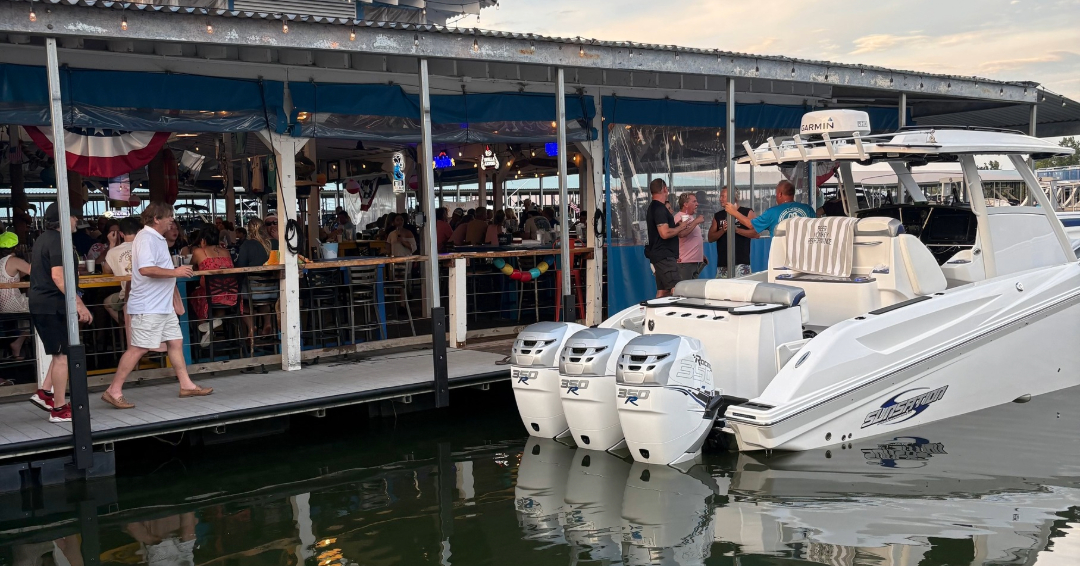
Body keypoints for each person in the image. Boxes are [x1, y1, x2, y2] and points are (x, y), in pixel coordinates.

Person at [101, 202, 211, 410]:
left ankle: (186, 385)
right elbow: (145, 269)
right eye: (168, 216)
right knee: (138, 348)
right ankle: (113, 390)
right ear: (156, 219)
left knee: (176, 341)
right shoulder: (146, 239)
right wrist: (175, 272)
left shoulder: (156, 239)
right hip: (149, 304)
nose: (172, 220)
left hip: (162, 304)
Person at [28, 203, 93, 423]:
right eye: (74, 217)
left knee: (60, 350)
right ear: (65, 219)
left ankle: (45, 392)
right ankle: (59, 408)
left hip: (44, 302)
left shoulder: (43, 238)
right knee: (62, 356)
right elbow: (58, 276)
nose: (77, 221)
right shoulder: (57, 241)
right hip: (51, 304)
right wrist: (78, 303)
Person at [645, 179, 702, 298]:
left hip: (661, 256)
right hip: (665, 256)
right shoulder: (659, 208)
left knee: (663, 292)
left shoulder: (654, 207)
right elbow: (664, 233)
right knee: (677, 289)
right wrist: (680, 227)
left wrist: (678, 226)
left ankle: (654, 314)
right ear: (664, 189)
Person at [189, 225, 240, 347]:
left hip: (210, 296)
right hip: (231, 295)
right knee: (218, 298)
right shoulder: (226, 251)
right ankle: (213, 324)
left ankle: (204, 329)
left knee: (192, 296)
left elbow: (192, 267)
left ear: (203, 239)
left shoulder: (199, 252)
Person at [723, 180, 816, 239]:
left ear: (779, 194)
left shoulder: (772, 212)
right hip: (805, 259)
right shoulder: (808, 209)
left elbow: (751, 225)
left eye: (776, 194)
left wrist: (734, 212)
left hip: (781, 259)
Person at [709, 187, 756, 278]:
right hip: (723, 263)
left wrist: (736, 230)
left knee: (741, 290)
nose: (720, 199)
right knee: (722, 291)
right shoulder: (718, 215)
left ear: (732, 197)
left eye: (723, 196)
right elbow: (710, 238)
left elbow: (756, 233)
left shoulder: (747, 212)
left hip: (741, 262)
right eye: (720, 196)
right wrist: (723, 230)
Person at [102, 217, 142, 324]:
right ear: (139, 231)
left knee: (106, 303)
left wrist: (112, 245)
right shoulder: (146, 246)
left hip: (128, 296)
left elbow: (106, 271)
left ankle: (126, 324)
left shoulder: (113, 252)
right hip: (148, 294)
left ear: (121, 234)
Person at [0, 232, 31, 360]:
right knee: (43, 308)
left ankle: (18, 343)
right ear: (16, 247)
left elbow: (15, 275)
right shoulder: (14, 260)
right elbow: (34, 272)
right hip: (12, 303)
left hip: (2, 304)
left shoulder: (2, 262)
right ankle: (19, 341)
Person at [675, 193, 706, 281]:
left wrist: (700, 255)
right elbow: (681, 233)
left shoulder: (690, 217)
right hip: (685, 262)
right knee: (684, 291)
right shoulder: (679, 216)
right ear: (685, 204)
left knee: (691, 290)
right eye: (694, 201)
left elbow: (692, 238)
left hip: (693, 261)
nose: (697, 204)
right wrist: (696, 222)